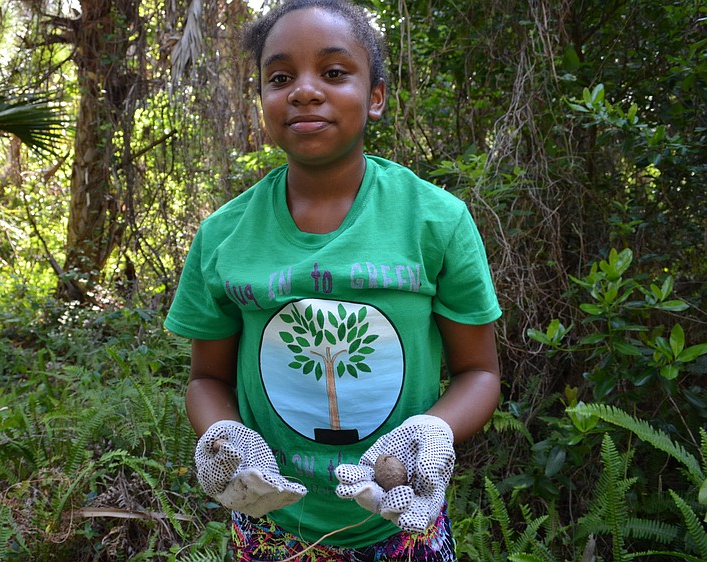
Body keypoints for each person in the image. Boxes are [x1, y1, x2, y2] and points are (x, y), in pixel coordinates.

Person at [163, 0, 502, 559]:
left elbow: (479, 373)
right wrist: (226, 438)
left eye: (334, 72)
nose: (303, 90)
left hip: (403, 525)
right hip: (272, 530)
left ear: (377, 96)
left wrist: (433, 434)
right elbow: (207, 381)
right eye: (279, 77)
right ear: (263, 100)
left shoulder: (436, 221)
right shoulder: (224, 236)